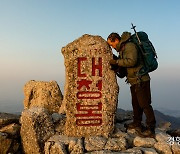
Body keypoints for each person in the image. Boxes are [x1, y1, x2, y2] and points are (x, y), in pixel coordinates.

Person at [107, 32, 156, 138]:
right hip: (134, 81)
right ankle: (137, 123)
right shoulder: (122, 49)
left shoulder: (129, 46)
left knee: (145, 104)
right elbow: (125, 68)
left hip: (141, 80)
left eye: (112, 44)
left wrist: (117, 62)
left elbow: (132, 61)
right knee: (136, 104)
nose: (112, 47)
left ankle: (151, 128)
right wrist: (116, 65)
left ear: (116, 40)